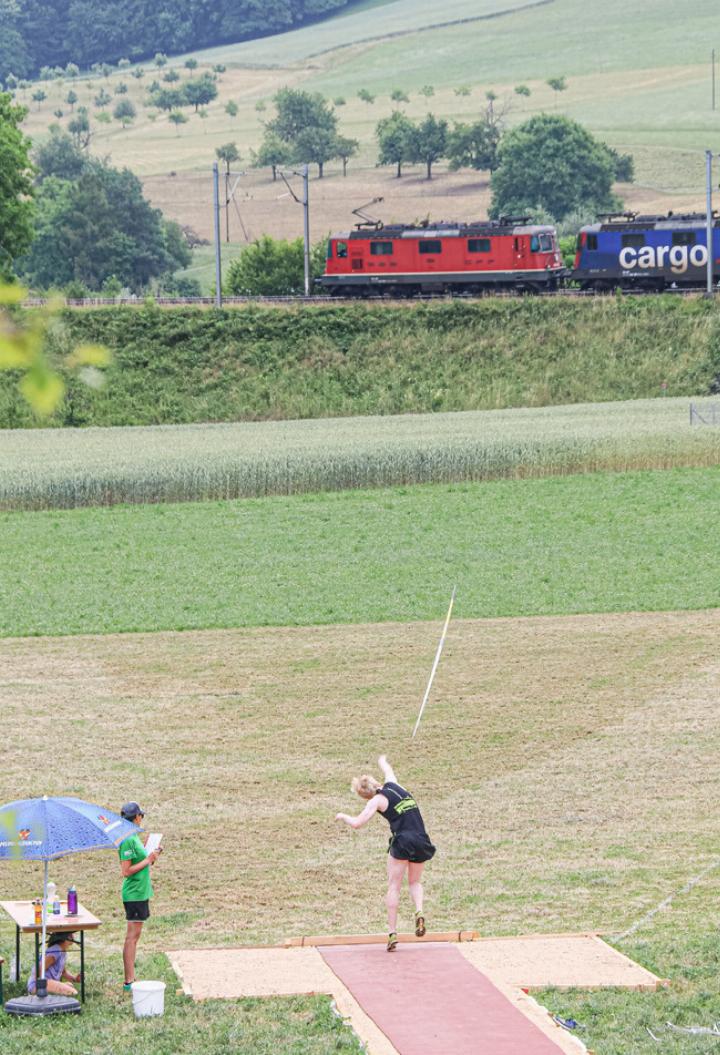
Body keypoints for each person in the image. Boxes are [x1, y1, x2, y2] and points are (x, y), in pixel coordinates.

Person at [336, 754, 436, 952]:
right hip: (421, 838)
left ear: (365, 795)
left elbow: (357, 823)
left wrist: (342, 816)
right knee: (415, 882)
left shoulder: (376, 801)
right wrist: (382, 760)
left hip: (402, 841)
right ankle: (419, 911)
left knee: (394, 886)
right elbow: (386, 767)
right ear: (376, 782)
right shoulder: (393, 783)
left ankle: (392, 933)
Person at [118, 801, 162, 991]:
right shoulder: (127, 839)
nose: (141, 818)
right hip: (134, 893)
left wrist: (149, 853)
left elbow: (140, 860)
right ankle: (129, 981)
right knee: (132, 937)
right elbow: (126, 871)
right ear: (136, 817)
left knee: (135, 936)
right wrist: (148, 859)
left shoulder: (133, 837)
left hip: (140, 892)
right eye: (140, 815)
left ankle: (130, 978)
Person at [27, 931, 81, 996]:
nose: (73, 936)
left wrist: (75, 979)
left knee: (70, 985)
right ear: (67, 937)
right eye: (71, 934)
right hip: (38, 984)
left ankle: (55, 991)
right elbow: (39, 969)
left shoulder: (62, 951)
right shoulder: (56, 950)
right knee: (73, 992)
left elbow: (63, 972)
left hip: (50, 982)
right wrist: (40, 987)